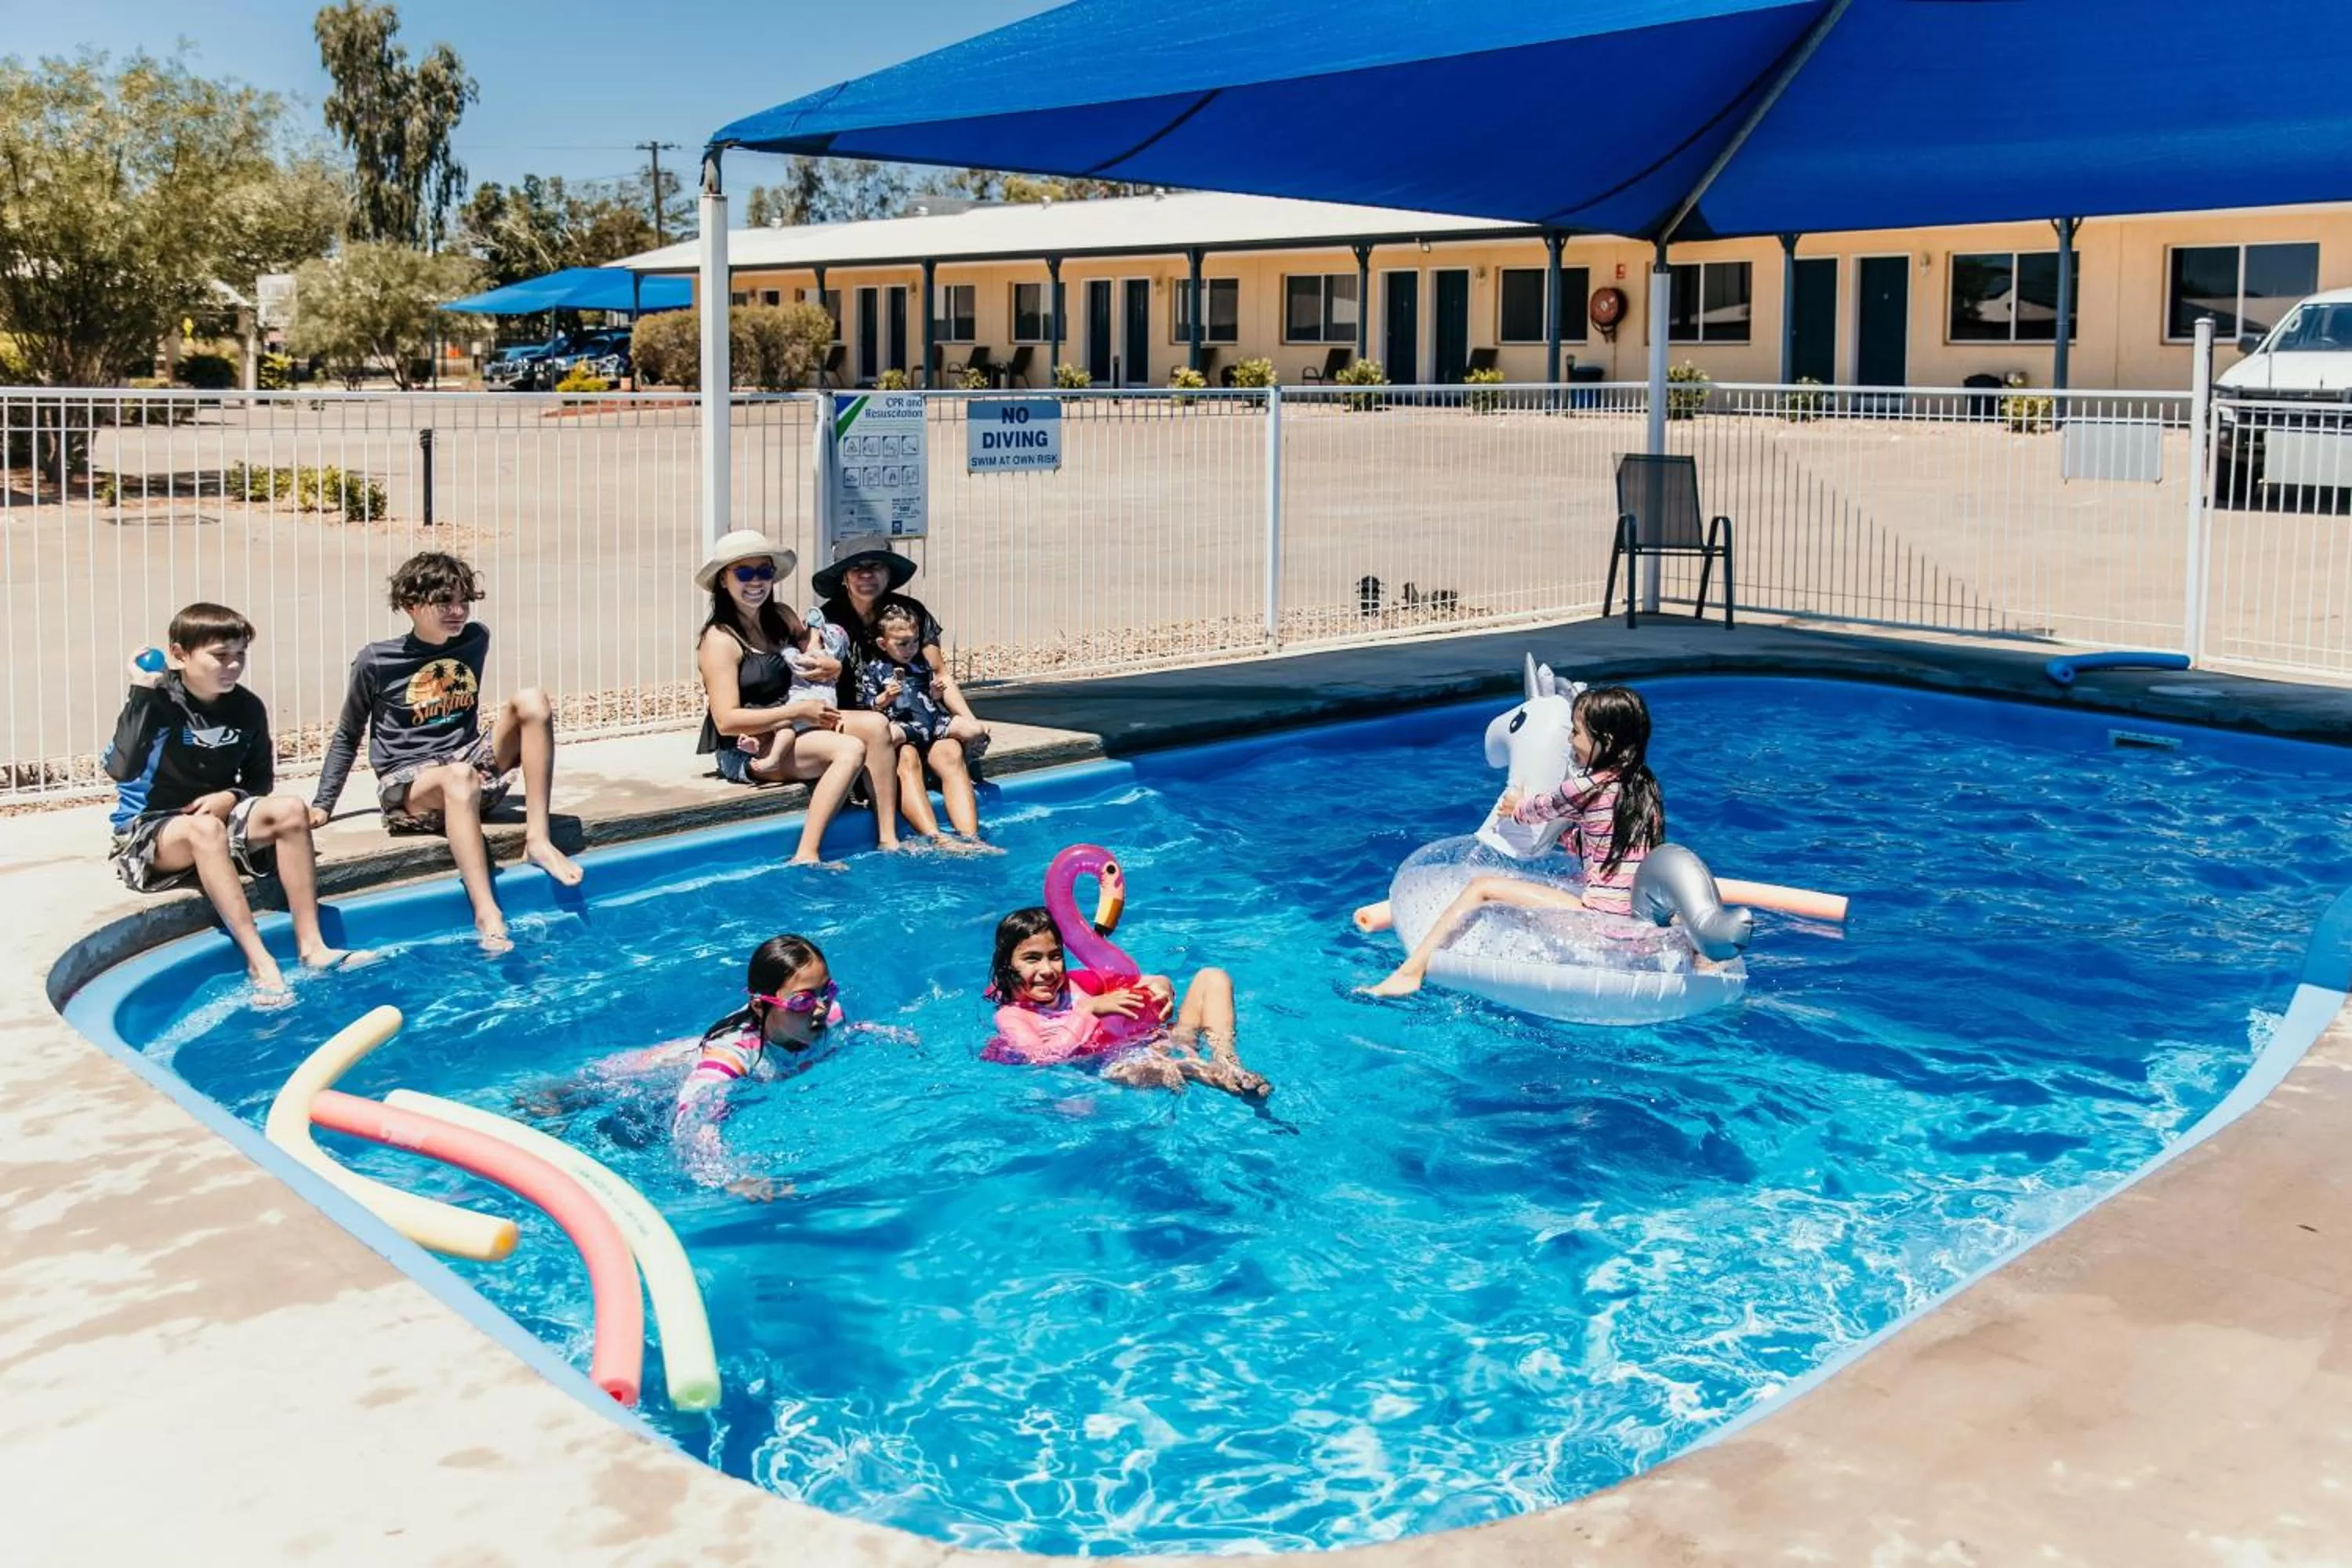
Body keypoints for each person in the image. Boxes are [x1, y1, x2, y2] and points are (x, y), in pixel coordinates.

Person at [310, 551, 581, 954]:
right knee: (459, 777)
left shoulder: (475, 639)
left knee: (532, 700)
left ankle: (538, 839)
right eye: (443, 603)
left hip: (467, 764)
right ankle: (486, 910)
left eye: (463, 602)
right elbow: (349, 733)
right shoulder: (376, 661)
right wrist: (323, 803)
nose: (457, 612)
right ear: (411, 606)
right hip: (410, 785)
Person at [103, 604, 358, 1007]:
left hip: (218, 820)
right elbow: (122, 768)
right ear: (180, 654)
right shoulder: (157, 700)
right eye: (221, 655)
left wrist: (231, 796)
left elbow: (260, 780)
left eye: (240, 655)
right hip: (149, 830)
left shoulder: (247, 707)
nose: (233, 665)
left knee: (290, 809)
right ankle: (260, 962)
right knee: (206, 831)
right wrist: (140, 691)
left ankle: (313, 945)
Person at [1366, 684, 1665, 999]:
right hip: (1637, 920)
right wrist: (1563, 833)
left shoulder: (1584, 789)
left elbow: (1534, 810)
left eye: (1575, 733)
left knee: (1482, 888)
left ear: (1606, 742)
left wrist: (1515, 807)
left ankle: (1409, 973)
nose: (1569, 740)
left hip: (1601, 923)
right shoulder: (1645, 788)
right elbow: (1598, 842)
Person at [691, 528, 905, 864]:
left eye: (764, 571)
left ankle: (888, 839)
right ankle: (807, 853)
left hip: (795, 723)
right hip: (749, 746)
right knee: (849, 749)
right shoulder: (719, 640)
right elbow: (726, 720)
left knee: (878, 725)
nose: (756, 581)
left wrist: (831, 665)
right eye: (744, 573)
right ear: (722, 580)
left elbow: (815, 648)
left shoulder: (780, 617)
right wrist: (798, 713)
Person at [813, 534, 992, 843]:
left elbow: (940, 674)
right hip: (871, 724)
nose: (866, 575)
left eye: (875, 567)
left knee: (950, 753)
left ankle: (972, 841)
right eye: (857, 568)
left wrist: (970, 720)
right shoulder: (827, 621)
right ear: (844, 577)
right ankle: (937, 838)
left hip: (921, 716)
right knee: (906, 757)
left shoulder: (910, 613)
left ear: (888, 574)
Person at [983, 907, 1270, 1098]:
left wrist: (1161, 987)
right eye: (1032, 959)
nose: (1047, 970)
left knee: (1213, 977)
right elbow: (1042, 1058)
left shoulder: (1076, 983)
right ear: (1006, 964)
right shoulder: (1012, 1017)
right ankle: (1209, 1075)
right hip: (1108, 1066)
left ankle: (1228, 1061)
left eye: (1055, 956)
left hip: (1156, 1040)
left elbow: (1139, 981)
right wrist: (1088, 1010)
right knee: (1136, 1069)